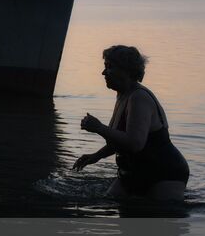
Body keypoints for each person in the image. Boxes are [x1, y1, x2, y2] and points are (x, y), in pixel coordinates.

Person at [74, 45, 189, 200]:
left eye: (109, 67)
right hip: (133, 171)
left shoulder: (138, 97)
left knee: (159, 216)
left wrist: (99, 128)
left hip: (164, 173)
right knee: (110, 202)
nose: (103, 73)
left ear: (126, 71)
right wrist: (96, 156)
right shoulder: (123, 95)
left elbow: (135, 143)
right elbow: (120, 139)